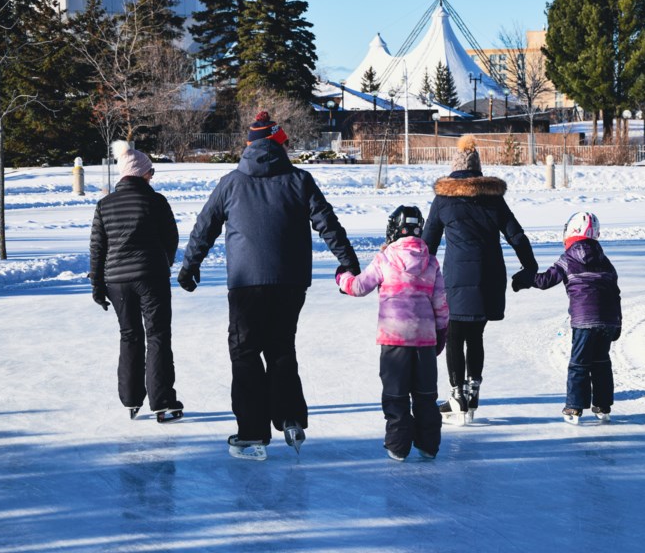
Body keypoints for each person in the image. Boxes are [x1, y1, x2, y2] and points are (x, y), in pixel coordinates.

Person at [178, 111, 361, 460]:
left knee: (245, 352)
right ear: (278, 145)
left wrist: (190, 267)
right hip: (290, 281)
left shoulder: (231, 182)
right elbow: (328, 223)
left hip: (246, 283)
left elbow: (205, 226)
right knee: (280, 348)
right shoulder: (299, 180)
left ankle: (252, 434)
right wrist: (348, 262)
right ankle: (290, 417)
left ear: (248, 146)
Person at [422, 135, 537, 424]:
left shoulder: (443, 199)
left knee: (454, 336)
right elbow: (516, 235)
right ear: (478, 168)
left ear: (454, 167)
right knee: (476, 336)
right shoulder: (493, 198)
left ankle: (456, 396)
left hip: (458, 278)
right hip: (490, 278)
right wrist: (529, 266)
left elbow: (428, 243)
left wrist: (417, 277)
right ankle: (472, 395)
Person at [336, 206, 449, 462]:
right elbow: (441, 303)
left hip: (394, 339)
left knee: (396, 394)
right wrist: (441, 332)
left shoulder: (385, 259)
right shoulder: (430, 261)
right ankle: (428, 445)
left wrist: (342, 277)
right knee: (425, 396)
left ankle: (398, 446)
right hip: (424, 339)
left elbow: (358, 287)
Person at [89, 140, 183, 423]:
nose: (152, 176)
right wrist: (162, 262)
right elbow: (171, 239)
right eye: (150, 171)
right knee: (157, 335)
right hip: (151, 277)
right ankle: (162, 400)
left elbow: (97, 248)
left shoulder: (104, 205)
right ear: (141, 173)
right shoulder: (156, 201)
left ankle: (130, 399)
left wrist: (97, 284)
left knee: (129, 335)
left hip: (117, 281)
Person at [512, 211, 622, 424]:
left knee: (579, 364)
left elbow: (545, 281)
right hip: (608, 319)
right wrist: (618, 322)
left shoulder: (568, 259)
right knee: (601, 362)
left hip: (584, 320)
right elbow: (615, 292)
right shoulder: (605, 261)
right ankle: (603, 405)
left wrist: (526, 278)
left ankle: (574, 407)